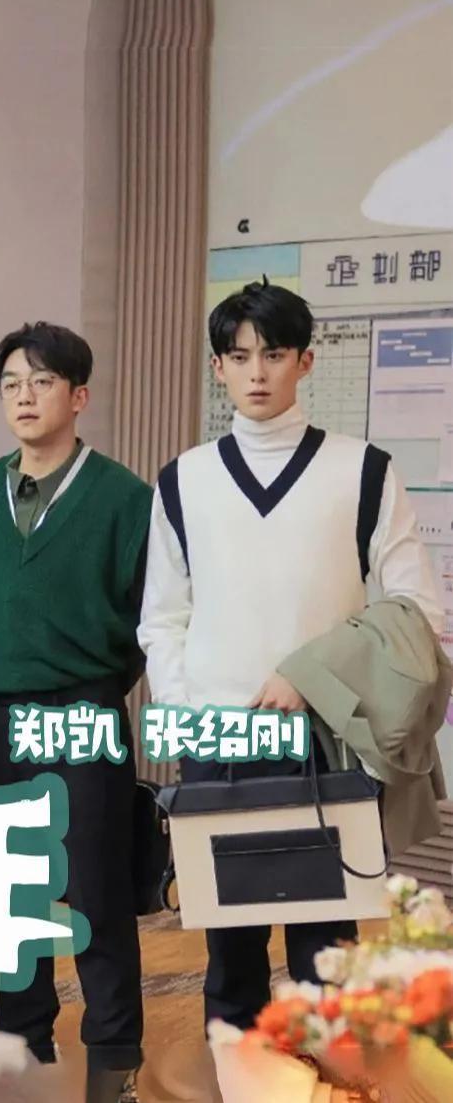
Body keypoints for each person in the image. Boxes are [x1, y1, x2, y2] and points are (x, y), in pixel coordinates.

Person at [138, 281, 444, 1032]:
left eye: (274, 354)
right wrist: (189, 715)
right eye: (239, 356)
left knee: (325, 952)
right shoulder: (183, 479)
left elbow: (421, 614)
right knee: (229, 954)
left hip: (326, 741)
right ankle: (238, 1071)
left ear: (306, 361)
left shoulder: (363, 470)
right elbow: (163, 618)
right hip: (218, 740)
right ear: (218, 367)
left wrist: (312, 676)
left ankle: (327, 1078)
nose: (257, 373)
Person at [0, 322, 148, 1101]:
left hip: (84, 709)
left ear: (79, 395)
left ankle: (113, 1061)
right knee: (9, 894)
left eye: (42, 381)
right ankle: (21, 1045)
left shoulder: (125, 497)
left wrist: (91, 687)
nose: (24, 396)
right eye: (11, 383)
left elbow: (147, 618)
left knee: (96, 889)